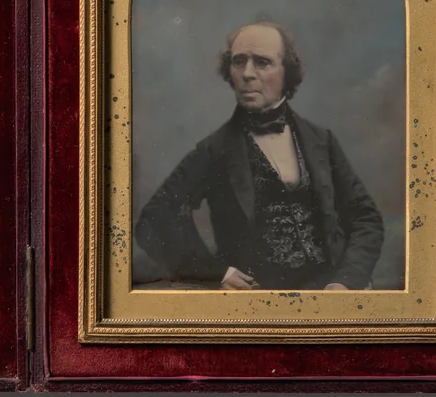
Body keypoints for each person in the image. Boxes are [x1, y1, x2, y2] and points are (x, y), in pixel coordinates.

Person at [135, 20, 384, 291]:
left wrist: (346, 281)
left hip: (328, 294)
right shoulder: (214, 150)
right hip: (258, 302)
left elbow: (365, 217)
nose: (247, 73)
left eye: (262, 62)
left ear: (287, 72)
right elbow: (154, 220)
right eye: (239, 62)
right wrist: (213, 273)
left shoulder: (321, 141)